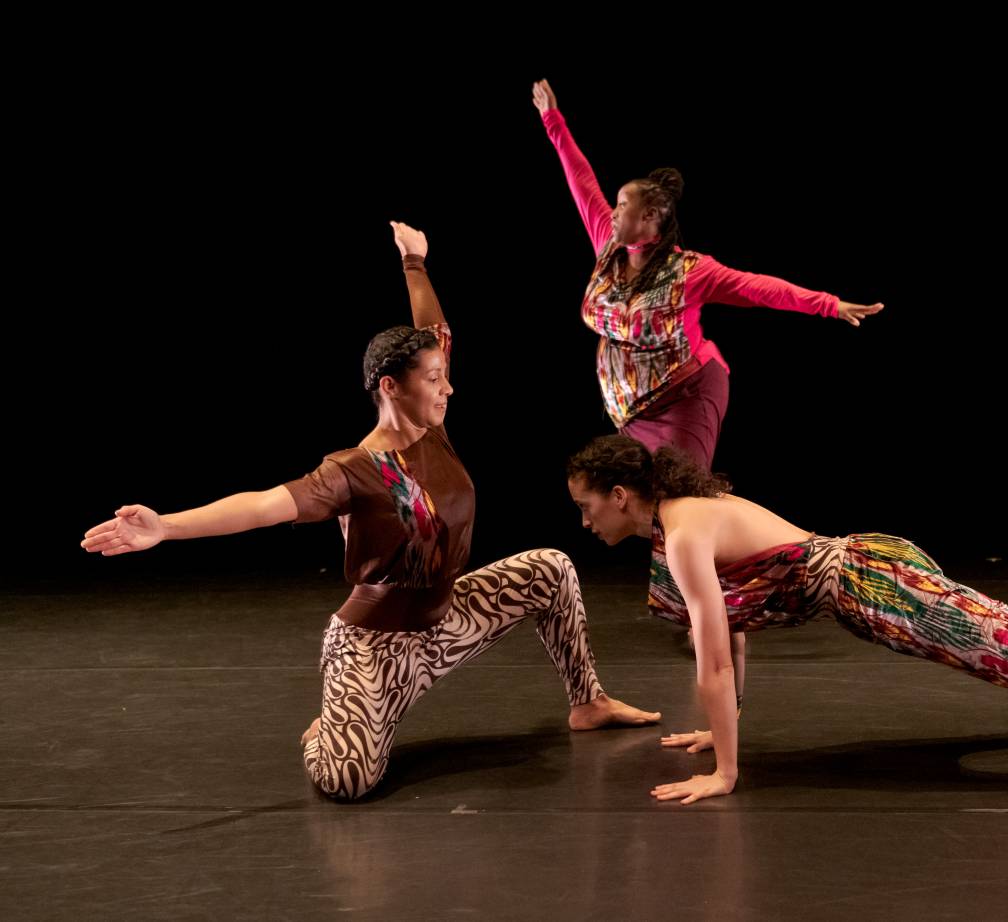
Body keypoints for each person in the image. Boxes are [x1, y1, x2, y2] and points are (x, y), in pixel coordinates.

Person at [81, 223, 659, 801]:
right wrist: (165, 528)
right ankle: (331, 727)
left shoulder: (433, 430)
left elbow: (435, 331)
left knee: (550, 569)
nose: (448, 389)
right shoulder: (353, 470)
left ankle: (589, 702)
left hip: (448, 621)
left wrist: (414, 263)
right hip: (375, 650)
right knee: (347, 781)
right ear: (390, 387)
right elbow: (261, 506)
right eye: (434, 380)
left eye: (445, 377)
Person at [565, 434, 1008, 805]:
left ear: (623, 495)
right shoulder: (675, 525)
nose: (585, 519)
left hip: (878, 590)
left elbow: (714, 657)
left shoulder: (684, 532)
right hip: (873, 579)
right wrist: (723, 727)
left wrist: (726, 771)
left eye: (587, 504)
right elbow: (737, 625)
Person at [533, 77, 883, 469]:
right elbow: (582, 182)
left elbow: (759, 289)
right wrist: (552, 119)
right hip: (631, 411)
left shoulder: (689, 272)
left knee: (683, 501)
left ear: (649, 217)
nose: (612, 211)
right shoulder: (608, 246)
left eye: (622, 204)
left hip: (686, 396)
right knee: (644, 507)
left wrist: (829, 305)